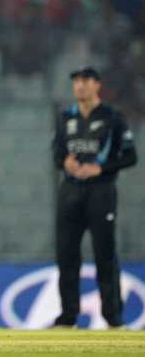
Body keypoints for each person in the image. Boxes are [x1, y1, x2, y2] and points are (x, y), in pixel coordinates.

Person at [52, 66, 137, 328]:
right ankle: (68, 316)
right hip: (71, 190)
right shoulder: (66, 117)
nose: (80, 86)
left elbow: (130, 156)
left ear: (97, 85)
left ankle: (113, 317)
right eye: (76, 81)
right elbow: (56, 153)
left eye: (86, 81)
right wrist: (65, 162)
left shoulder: (113, 117)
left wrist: (100, 168)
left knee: (105, 253)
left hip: (101, 191)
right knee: (66, 254)